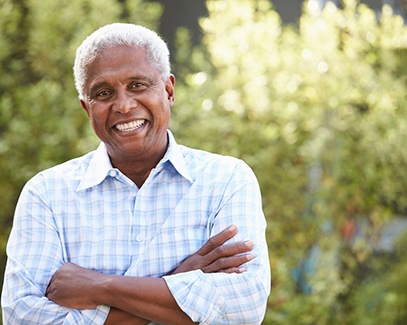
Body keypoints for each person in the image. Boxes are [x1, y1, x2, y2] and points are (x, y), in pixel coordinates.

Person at [1, 23, 271, 324]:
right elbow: (22, 317)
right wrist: (180, 282)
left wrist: (100, 287)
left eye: (138, 85)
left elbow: (243, 307)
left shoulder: (226, 180)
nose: (124, 105)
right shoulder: (46, 194)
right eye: (103, 93)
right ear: (86, 108)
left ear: (168, 90)